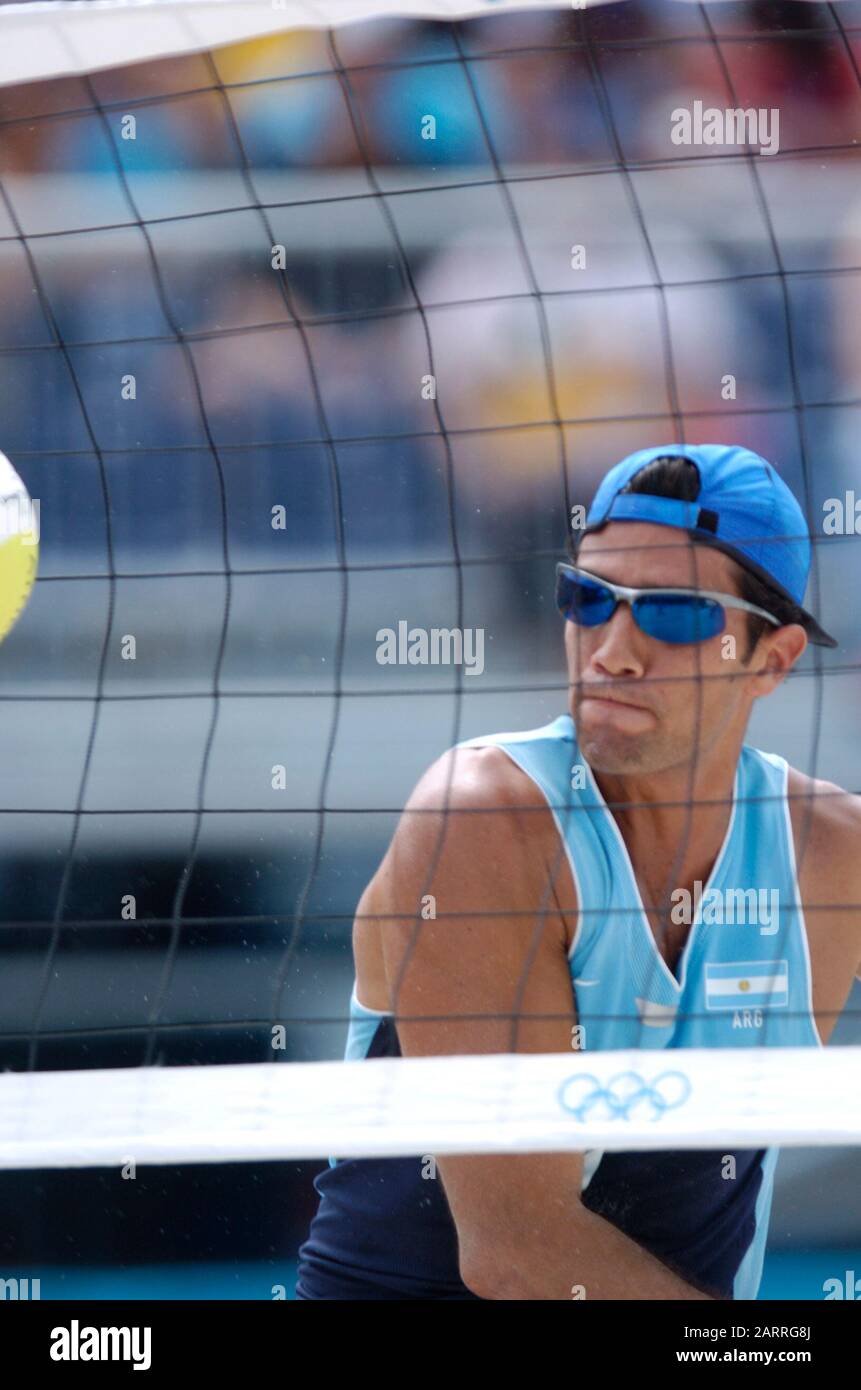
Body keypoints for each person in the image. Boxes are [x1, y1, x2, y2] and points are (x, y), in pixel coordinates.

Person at [297, 443, 861, 1301]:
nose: (612, 651)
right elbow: (517, 1256)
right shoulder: (484, 820)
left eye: (673, 614)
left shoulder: (831, 853)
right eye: (588, 599)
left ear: (770, 661)